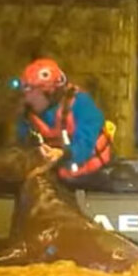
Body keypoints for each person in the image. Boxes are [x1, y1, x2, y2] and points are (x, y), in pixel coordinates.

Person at [14, 58, 115, 190]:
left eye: (32, 93)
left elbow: (85, 145)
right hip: (55, 177)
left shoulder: (82, 104)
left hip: (91, 177)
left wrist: (63, 154)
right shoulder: (28, 115)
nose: (27, 98)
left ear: (50, 92)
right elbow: (23, 144)